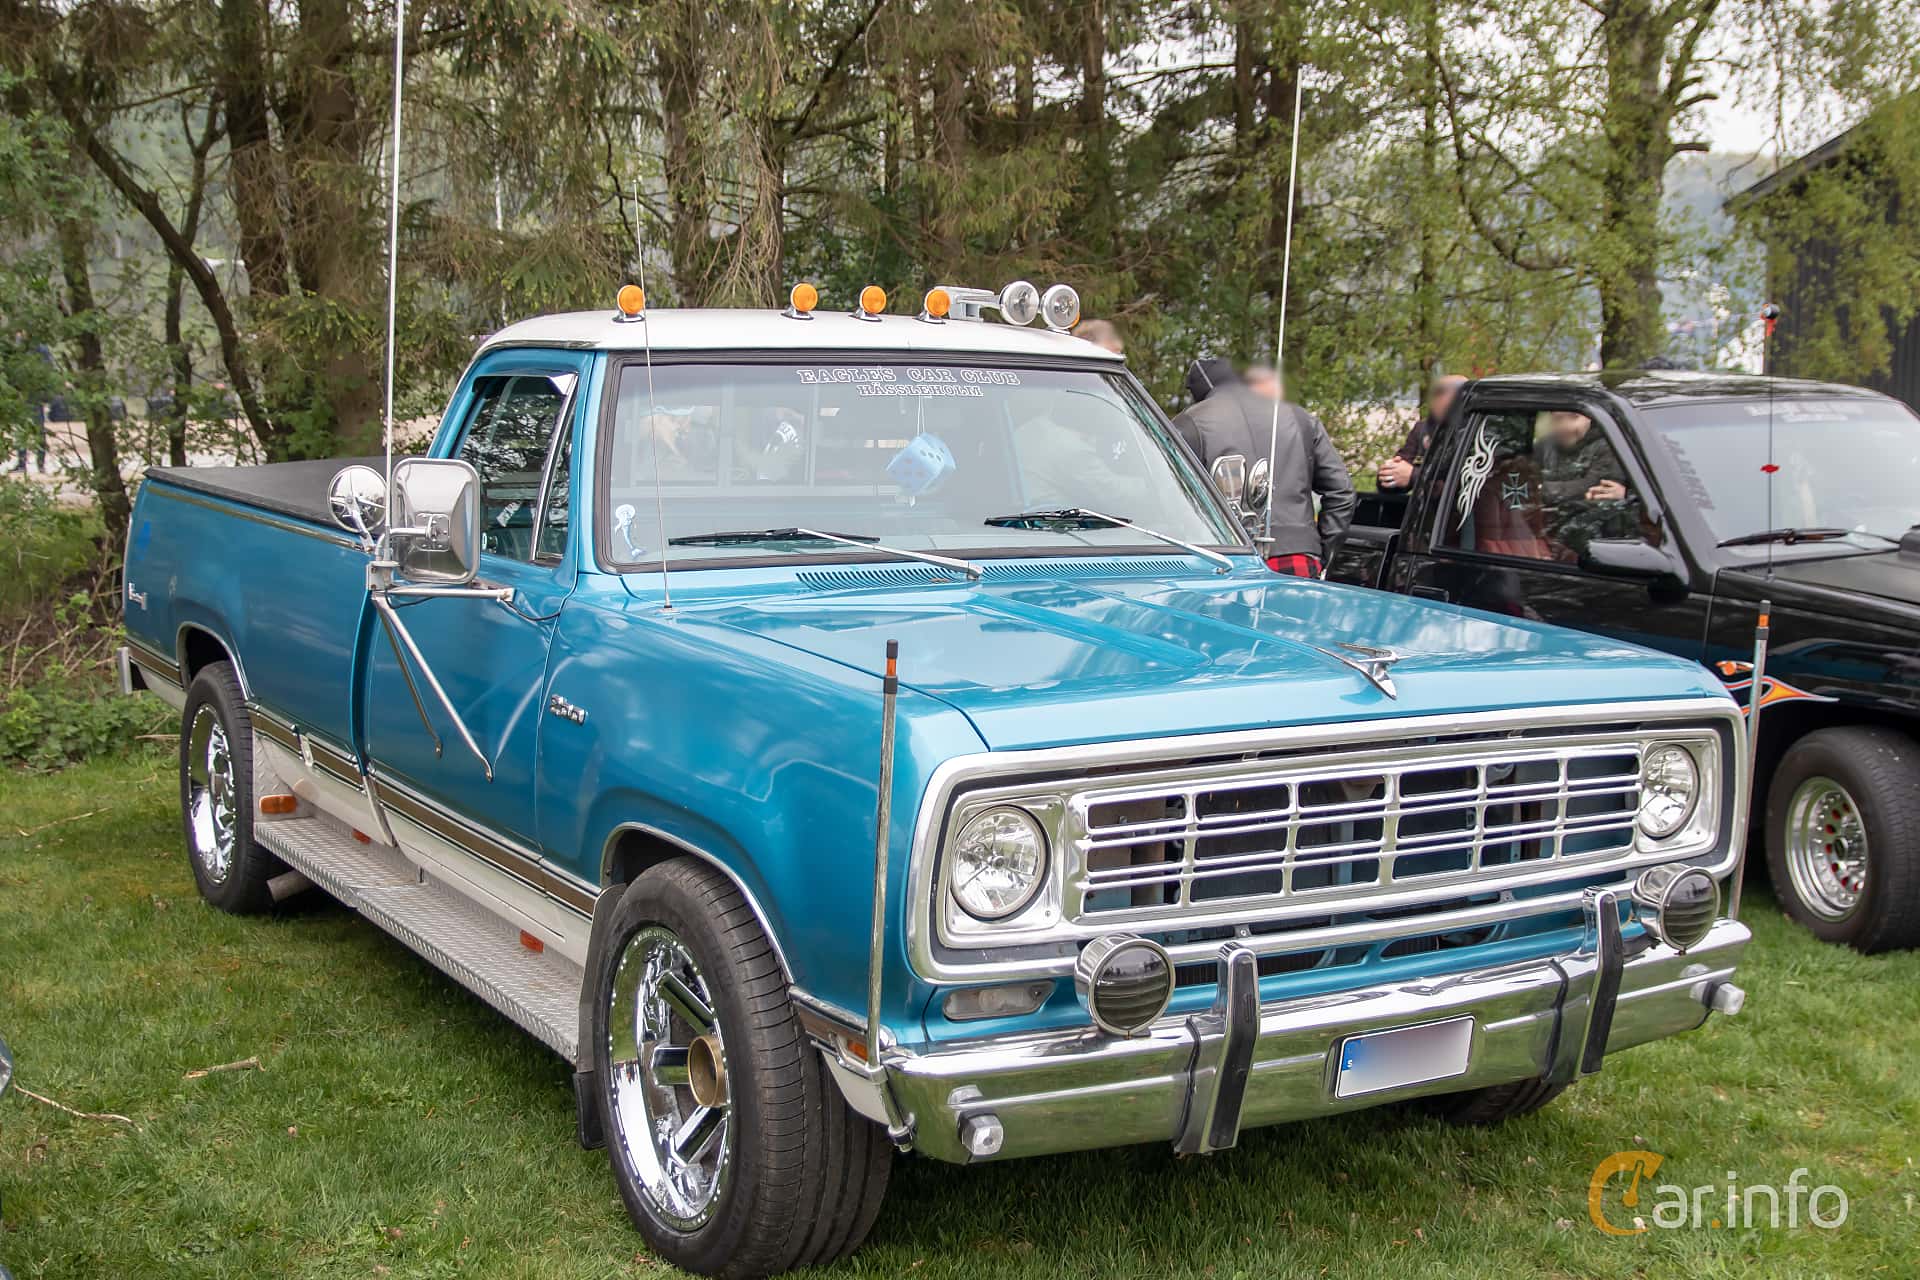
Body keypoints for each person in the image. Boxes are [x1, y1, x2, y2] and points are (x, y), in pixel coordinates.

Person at [1170, 359, 1355, 577]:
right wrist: (1323, 550)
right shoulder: (1300, 417)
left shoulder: (1189, 422)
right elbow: (1342, 491)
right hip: (1298, 555)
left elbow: (1169, 499)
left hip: (1223, 558)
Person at [1535, 410, 1634, 554]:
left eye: (1574, 417)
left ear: (1589, 418)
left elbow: (1595, 487)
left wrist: (1540, 489)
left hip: (1596, 544)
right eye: (1558, 419)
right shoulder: (1543, 447)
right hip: (1546, 542)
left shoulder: (1609, 446)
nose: (1566, 425)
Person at [1377, 373, 1465, 491]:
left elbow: (1465, 481)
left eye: (1443, 393)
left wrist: (1414, 476)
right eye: (1437, 393)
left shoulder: (1477, 431)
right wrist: (1389, 473)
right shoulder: (1422, 429)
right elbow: (1402, 467)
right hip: (1423, 508)